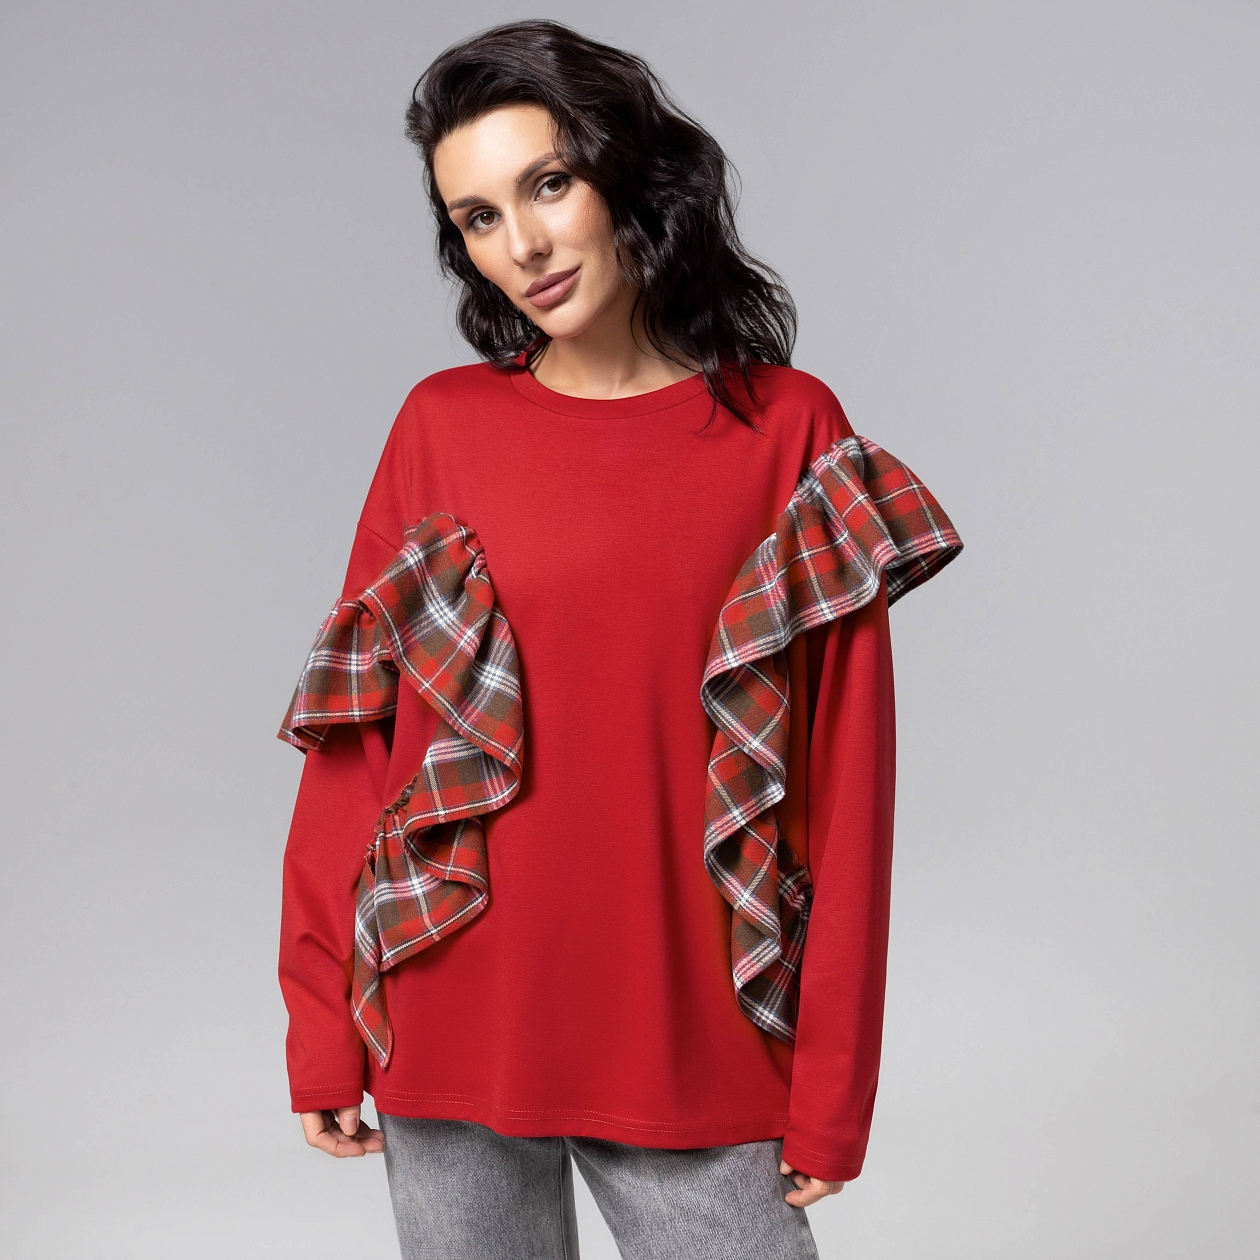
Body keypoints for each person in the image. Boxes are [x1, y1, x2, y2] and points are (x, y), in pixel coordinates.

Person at [275, 19, 962, 1260]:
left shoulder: (789, 432)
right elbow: (356, 751)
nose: (523, 245)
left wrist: (832, 1084)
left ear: (627, 174)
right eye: (479, 218)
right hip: (450, 1025)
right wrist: (322, 1018)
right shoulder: (439, 428)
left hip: (694, 1043)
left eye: (548, 185)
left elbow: (848, 781)